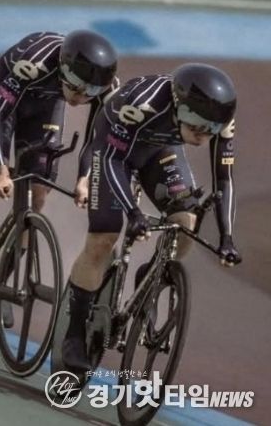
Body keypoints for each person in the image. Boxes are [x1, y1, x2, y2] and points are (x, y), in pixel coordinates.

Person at [0, 29, 119, 323]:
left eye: (88, 93)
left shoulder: (105, 86)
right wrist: (2, 170)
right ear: (63, 68)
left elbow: (98, 137)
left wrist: (84, 178)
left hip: (46, 107)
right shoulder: (33, 63)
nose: (80, 98)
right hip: (5, 99)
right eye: (76, 88)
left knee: (36, 197)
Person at [61, 63, 242, 374]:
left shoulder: (220, 120)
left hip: (160, 150)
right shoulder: (143, 104)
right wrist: (133, 212)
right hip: (115, 152)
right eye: (196, 124)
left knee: (185, 222)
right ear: (178, 104)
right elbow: (111, 159)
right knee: (104, 237)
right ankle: (74, 334)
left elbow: (224, 179)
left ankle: (151, 273)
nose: (202, 135)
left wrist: (227, 237)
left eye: (210, 129)